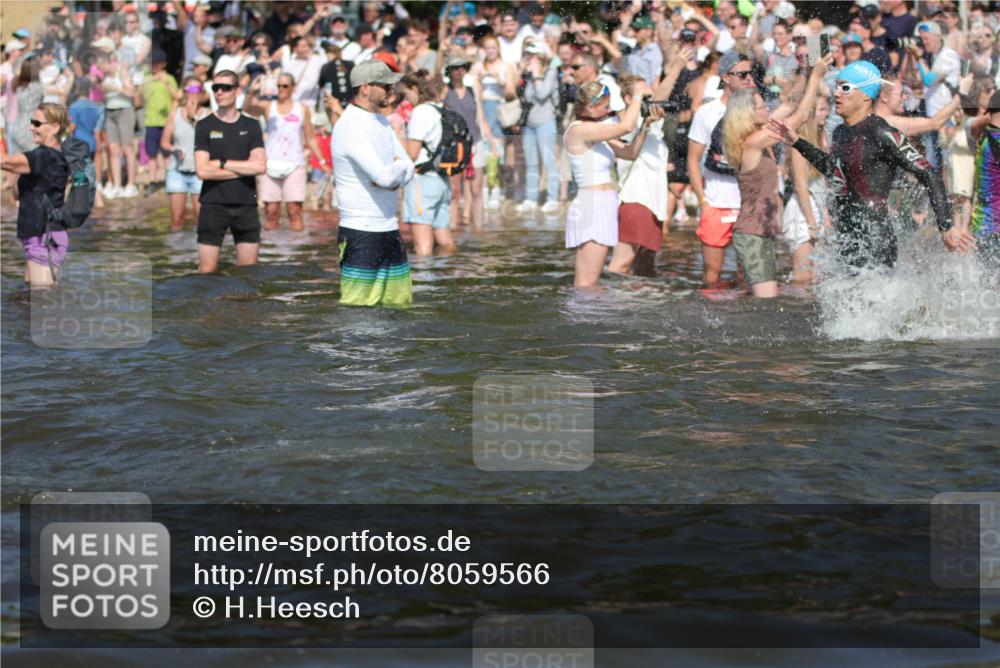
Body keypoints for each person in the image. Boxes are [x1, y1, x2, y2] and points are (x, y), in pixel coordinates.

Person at [769, 60, 975, 270]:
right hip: (848, 235)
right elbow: (835, 170)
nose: (837, 94)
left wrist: (946, 226)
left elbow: (929, 172)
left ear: (866, 95)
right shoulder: (841, 132)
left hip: (875, 239)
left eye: (846, 88)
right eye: (837, 86)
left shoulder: (881, 131)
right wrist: (797, 142)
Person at [720, 56, 830, 298]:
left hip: (760, 232)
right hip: (752, 234)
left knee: (761, 297)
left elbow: (791, 104)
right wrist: (815, 78)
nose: (767, 109)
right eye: (761, 107)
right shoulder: (752, 142)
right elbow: (799, 117)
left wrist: (807, 71)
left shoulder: (757, 135)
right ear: (748, 114)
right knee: (767, 301)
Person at [331, 60, 415, 307]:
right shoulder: (350, 126)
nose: (391, 90)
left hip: (389, 228)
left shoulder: (380, 121)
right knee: (357, 311)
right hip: (361, 232)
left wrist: (397, 168)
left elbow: (410, 166)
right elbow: (386, 178)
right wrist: (397, 168)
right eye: (385, 85)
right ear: (365, 88)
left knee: (398, 306)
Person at [563, 79, 651, 288]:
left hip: (603, 204)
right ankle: (583, 318)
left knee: (592, 282)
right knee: (587, 283)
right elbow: (626, 126)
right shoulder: (579, 130)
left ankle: (590, 317)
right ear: (590, 107)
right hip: (591, 206)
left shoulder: (597, 132)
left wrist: (646, 126)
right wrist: (637, 95)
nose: (609, 110)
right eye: (605, 106)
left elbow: (630, 153)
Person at [688, 50, 757, 288]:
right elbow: (692, 160)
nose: (749, 78)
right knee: (711, 277)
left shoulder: (757, 111)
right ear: (725, 77)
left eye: (751, 73)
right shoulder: (706, 113)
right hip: (716, 202)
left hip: (747, 205)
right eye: (743, 74)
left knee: (748, 278)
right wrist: (702, 200)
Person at [193, 70, 267, 273]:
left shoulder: (251, 125)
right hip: (212, 204)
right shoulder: (204, 125)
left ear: (237, 90)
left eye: (225, 88)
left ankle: (241, 305)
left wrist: (223, 163)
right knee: (206, 271)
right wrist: (244, 168)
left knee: (249, 271)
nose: (219, 92)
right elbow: (202, 171)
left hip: (246, 204)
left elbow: (260, 166)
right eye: (215, 88)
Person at [244, 72, 329, 232]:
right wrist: (251, 91)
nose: (281, 89)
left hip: (295, 163)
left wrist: (322, 161)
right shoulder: (269, 107)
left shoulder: (302, 109)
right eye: (278, 86)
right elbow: (247, 109)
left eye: (285, 86)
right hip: (270, 163)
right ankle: (272, 253)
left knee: (294, 211)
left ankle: (295, 252)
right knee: (271, 211)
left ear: (292, 88)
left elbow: (310, 137)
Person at [0, 103, 71, 287]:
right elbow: (17, 195)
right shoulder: (49, 156)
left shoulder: (45, 156)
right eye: (32, 122)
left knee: (42, 304)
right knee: (33, 302)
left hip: (43, 237)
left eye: (37, 123)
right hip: (39, 236)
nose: (32, 127)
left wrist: (10, 163)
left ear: (55, 127)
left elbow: (4, 160)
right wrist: (15, 172)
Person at [401, 71, 455, 256]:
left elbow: (412, 153)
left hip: (422, 181)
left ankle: (424, 283)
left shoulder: (420, 111)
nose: (405, 98)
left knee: (422, 247)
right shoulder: (440, 108)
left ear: (415, 88)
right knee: (445, 241)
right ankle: (449, 275)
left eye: (406, 92)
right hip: (442, 180)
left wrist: (397, 136)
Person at [161, 77, 209, 231]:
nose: (194, 94)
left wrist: (194, 117)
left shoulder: (208, 115)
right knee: (176, 220)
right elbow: (164, 142)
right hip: (177, 170)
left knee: (201, 219)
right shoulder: (174, 115)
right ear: (184, 92)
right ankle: (177, 253)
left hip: (199, 173)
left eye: (197, 90)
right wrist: (174, 149)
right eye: (190, 90)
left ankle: (199, 253)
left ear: (202, 93)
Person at [518, 44, 561, 215]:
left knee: (549, 161)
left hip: (546, 122)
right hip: (529, 123)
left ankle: (552, 199)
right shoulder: (527, 74)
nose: (529, 58)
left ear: (541, 57)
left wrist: (536, 75)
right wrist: (522, 73)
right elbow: (523, 96)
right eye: (527, 54)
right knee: (531, 162)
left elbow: (542, 94)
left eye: (532, 55)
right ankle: (531, 198)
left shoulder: (550, 72)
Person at [968, 89, 1000, 266]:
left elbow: (971, 125)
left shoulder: (982, 136)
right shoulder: (996, 140)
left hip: (983, 226)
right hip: (995, 231)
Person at [142, 50, 178, 192]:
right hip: (151, 121)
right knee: (151, 154)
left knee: (166, 154)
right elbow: (139, 96)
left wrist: (166, 83)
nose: (153, 67)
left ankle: (169, 180)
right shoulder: (148, 80)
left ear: (163, 64)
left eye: (156, 64)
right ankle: (152, 181)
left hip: (166, 123)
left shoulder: (170, 79)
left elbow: (177, 97)